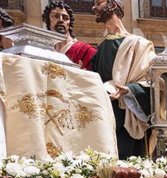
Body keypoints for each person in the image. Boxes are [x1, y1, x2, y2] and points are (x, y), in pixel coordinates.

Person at [91, 0, 155, 159]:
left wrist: (131, 89)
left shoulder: (139, 44)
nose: (94, 8)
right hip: (103, 113)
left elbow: (153, 80)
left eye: (99, 2)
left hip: (127, 113)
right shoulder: (99, 49)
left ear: (112, 5)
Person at [42, 1, 96, 70]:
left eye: (65, 18)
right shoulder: (46, 54)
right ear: (47, 20)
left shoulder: (86, 51)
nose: (61, 20)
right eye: (56, 16)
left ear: (69, 23)